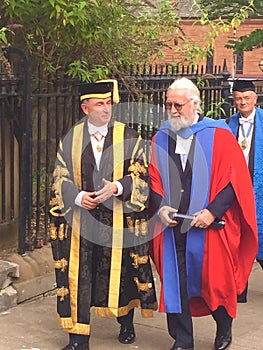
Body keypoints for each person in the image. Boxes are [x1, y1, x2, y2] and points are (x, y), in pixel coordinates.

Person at [148, 77, 258, 350]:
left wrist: (212, 211)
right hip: (174, 227)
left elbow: (236, 180)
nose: (172, 110)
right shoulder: (161, 136)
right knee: (176, 283)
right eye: (168, 104)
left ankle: (223, 329)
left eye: (178, 105)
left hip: (210, 226)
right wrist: (160, 206)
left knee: (215, 283)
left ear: (195, 104)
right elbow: (153, 179)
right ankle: (183, 340)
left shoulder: (219, 134)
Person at [49, 79, 157, 350]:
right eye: (100, 104)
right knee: (80, 275)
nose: (106, 109)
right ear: (85, 108)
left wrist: (118, 187)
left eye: (108, 103)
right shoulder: (71, 139)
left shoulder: (129, 136)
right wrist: (77, 196)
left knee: (120, 273)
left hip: (118, 218)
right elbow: (59, 176)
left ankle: (126, 322)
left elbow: (141, 173)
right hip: (81, 219)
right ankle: (78, 338)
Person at [227, 79, 263, 274]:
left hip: (260, 188)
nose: (243, 102)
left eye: (247, 98)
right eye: (238, 98)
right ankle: (240, 288)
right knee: (238, 238)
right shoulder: (227, 125)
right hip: (236, 190)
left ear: (255, 98)